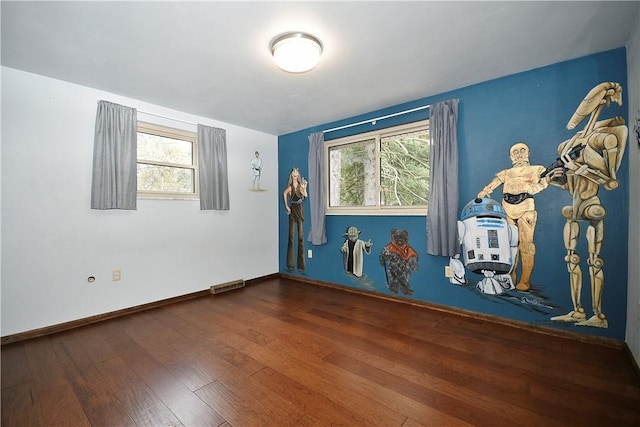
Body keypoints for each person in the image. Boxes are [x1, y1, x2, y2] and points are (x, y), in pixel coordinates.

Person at [545, 82, 627, 328]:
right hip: (574, 205)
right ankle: (577, 310)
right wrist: (555, 181)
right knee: (571, 260)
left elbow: (611, 182)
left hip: (592, 205)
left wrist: (583, 169)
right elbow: (570, 186)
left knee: (595, 261)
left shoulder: (602, 140)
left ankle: (599, 315)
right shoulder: (571, 144)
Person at [477, 142, 548, 291]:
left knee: (526, 244)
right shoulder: (506, 173)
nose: (519, 154)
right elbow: (494, 183)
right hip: (507, 207)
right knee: (509, 244)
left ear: (528, 152)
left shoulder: (536, 169)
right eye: (515, 152)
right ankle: (511, 275)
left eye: (522, 151)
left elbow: (545, 180)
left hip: (526, 207)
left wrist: (540, 184)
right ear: (511, 156)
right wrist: (485, 191)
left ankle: (525, 280)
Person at [283, 167, 307, 272]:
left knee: (301, 237)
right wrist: (287, 206)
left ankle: (301, 265)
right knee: (291, 237)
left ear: (298, 175)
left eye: (297, 172)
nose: (295, 173)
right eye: (293, 172)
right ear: (291, 175)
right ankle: (290, 264)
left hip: (299, 209)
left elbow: (305, 195)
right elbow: (284, 194)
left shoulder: (300, 186)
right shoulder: (290, 188)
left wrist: (304, 187)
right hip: (292, 210)